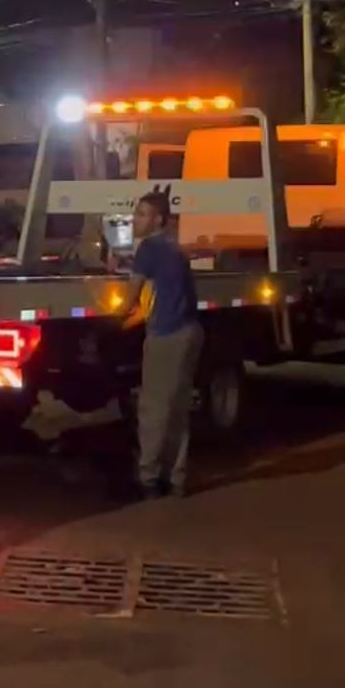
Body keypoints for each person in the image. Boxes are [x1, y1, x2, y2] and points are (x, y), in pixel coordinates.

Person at [116, 191, 203, 498]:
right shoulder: (173, 249)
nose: (135, 219)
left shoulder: (148, 249)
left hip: (166, 334)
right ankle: (177, 478)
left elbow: (129, 300)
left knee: (152, 408)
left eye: (141, 214)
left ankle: (149, 478)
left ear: (158, 220)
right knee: (178, 407)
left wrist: (112, 321)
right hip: (190, 332)